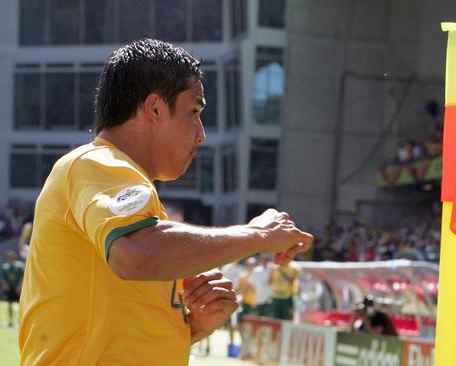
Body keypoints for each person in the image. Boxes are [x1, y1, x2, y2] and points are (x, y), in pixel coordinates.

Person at [18, 39, 313, 366]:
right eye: (195, 111)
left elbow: (126, 334)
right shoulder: (98, 164)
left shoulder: (139, 206)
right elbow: (137, 256)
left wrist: (192, 326)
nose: (201, 134)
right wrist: (257, 235)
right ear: (155, 108)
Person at [1, 250, 24, 327]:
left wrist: (20, 286)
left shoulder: (20, 266)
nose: (11, 258)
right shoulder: (5, 266)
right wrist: (5, 285)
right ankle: (10, 321)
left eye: (12, 257)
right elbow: (3, 278)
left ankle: (20, 321)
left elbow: (23, 276)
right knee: (9, 304)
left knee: (21, 305)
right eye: (9, 257)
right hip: (10, 287)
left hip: (18, 288)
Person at [238, 257, 257, 322]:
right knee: (242, 320)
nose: (251, 266)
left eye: (253, 264)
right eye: (250, 264)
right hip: (245, 302)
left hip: (256, 303)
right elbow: (240, 290)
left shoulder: (258, 274)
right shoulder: (243, 275)